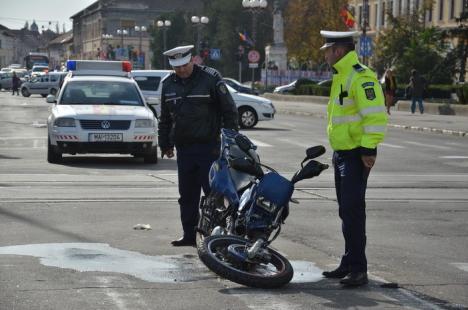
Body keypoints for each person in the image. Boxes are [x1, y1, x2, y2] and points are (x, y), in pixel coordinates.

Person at [319, 30, 388, 286]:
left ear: (338, 50)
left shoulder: (361, 77)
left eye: (327, 50)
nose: (325, 55)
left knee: (353, 211)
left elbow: (375, 116)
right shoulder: (342, 75)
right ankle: (349, 262)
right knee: (346, 212)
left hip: (356, 155)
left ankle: (359, 269)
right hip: (342, 154)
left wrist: (369, 149)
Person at [158, 45, 239, 247]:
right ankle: (189, 235)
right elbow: (165, 118)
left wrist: (230, 140)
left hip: (209, 148)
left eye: (184, 66)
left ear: (192, 60)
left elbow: (229, 110)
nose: (182, 71)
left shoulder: (210, 78)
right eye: (177, 68)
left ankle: (215, 236)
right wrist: (165, 143)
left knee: (213, 196)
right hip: (184, 149)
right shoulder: (167, 84)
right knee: (187, 196)